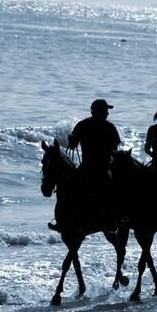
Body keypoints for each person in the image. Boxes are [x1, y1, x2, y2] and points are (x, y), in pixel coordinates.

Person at [67, 99, 121, 232]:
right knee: (113, 191)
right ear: (99, 112)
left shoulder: (82, 124)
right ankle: (111, 220)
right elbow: (115, 149)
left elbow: (72, 146)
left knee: (69, 188)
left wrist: (72, 140)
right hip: (103, 168)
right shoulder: (109, 127)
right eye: (105, 111)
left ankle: (65, 219)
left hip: (86, 166)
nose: (107, 113)